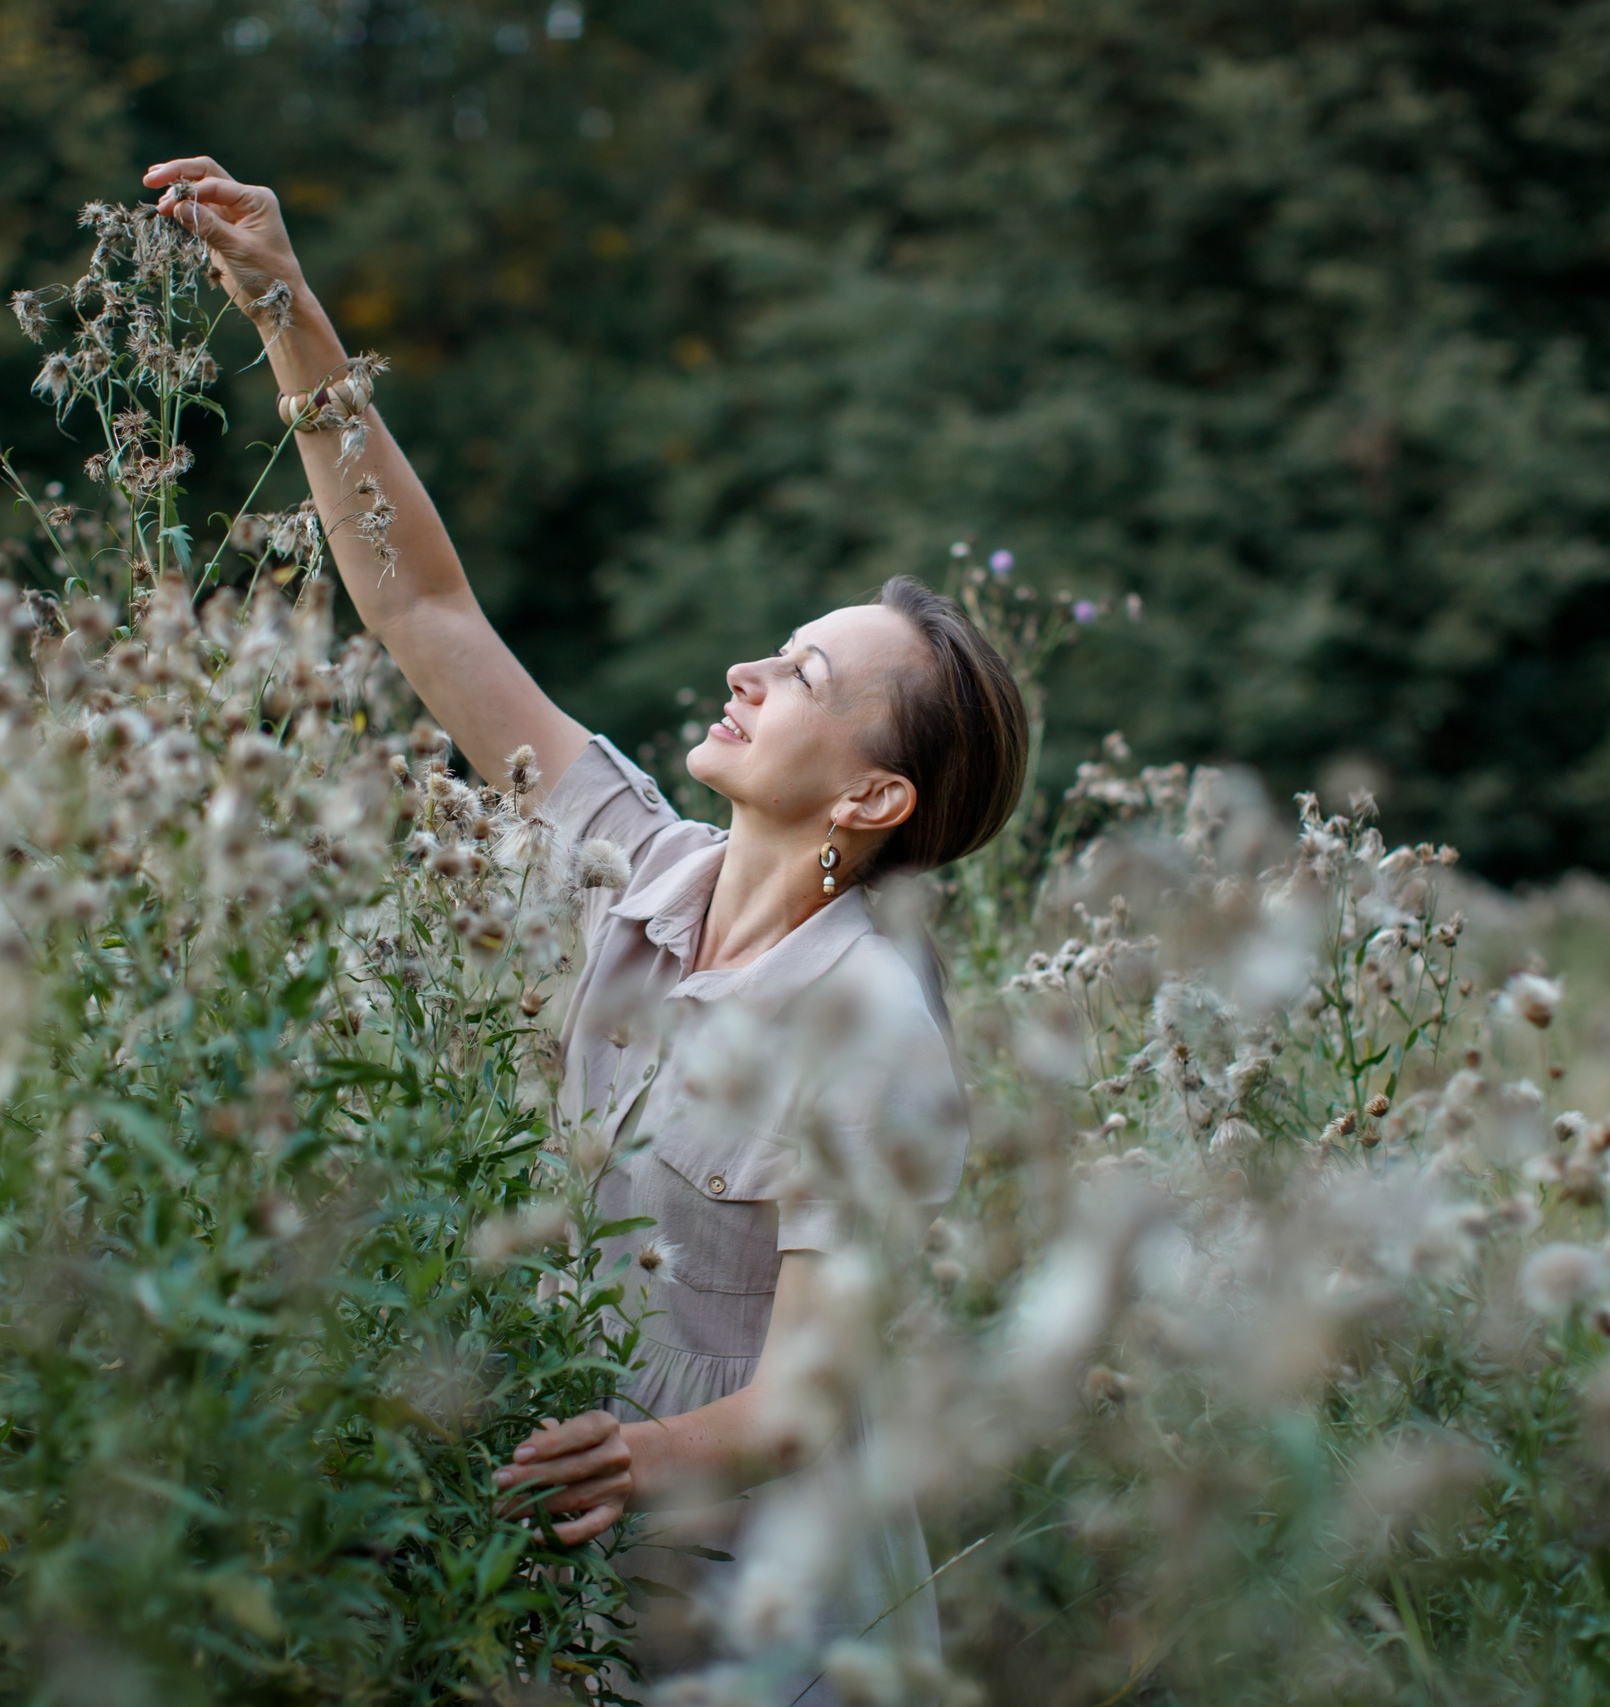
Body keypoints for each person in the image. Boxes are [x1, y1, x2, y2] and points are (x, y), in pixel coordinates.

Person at [145, 156, 1031, 1695]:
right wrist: (285, 309)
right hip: (563, 1567)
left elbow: (815, 1394)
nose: (754, 670)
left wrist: (640, 1452)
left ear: (878, 800)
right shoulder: (644, 866)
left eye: (808, 677)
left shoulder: (874, 1034)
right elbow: (429, 614)